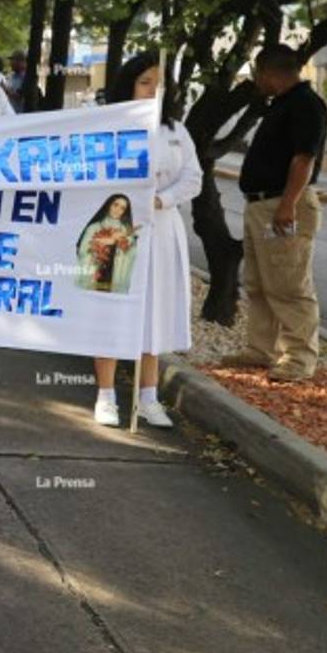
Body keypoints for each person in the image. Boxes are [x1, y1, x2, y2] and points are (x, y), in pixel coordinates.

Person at [91, 53, 201, 428]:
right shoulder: (111, 126)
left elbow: (193, 177)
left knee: (153, 309)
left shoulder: (175, 131)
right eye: (144, 81)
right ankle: (106, 396)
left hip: (162, 228)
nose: (153, 89)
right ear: (128, 85)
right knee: (110, 306)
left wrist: (160, 199)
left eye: (159, 81)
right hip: (117, 227)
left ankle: (148, 396)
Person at [221, 43, 327, 383]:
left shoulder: (306, 105)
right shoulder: (281, 105)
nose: (257, 82)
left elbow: (304, 158)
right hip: (261, 205)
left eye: (258, 75)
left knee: (289, 284)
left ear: (268, 72)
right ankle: (260, 349)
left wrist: (287, 205)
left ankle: (298, 359)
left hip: (283, 205)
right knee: (258, 283)